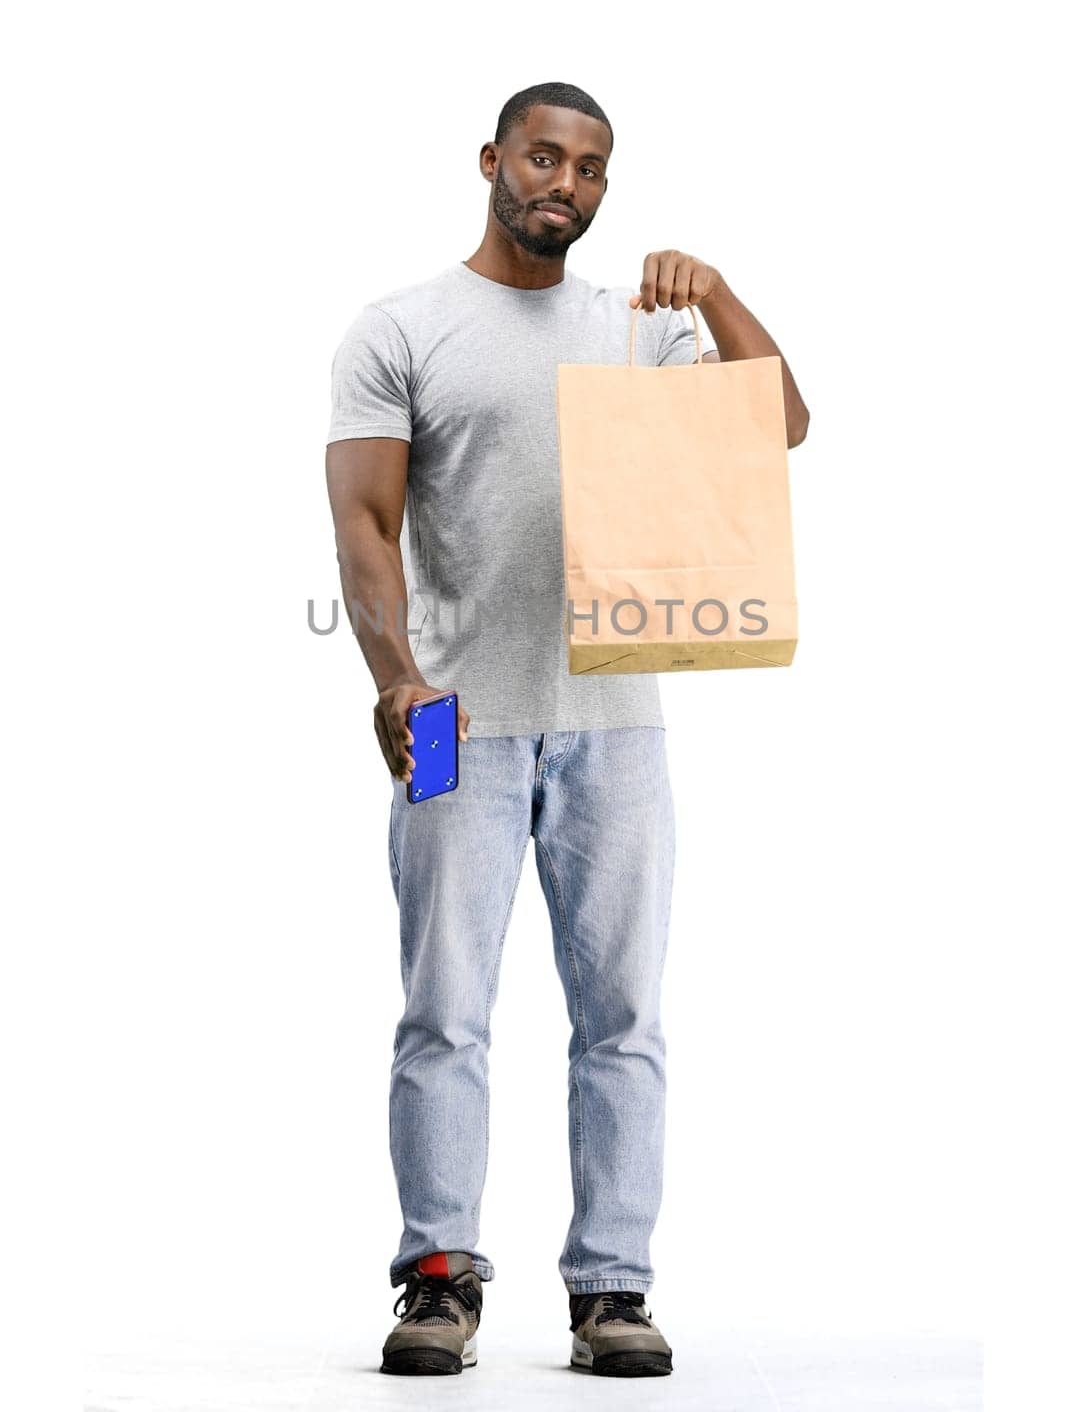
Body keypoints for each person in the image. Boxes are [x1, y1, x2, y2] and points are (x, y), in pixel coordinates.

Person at [324, 81, 810, 1378]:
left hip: (619, 726)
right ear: (492, 159)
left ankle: (612, 1289)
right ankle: (436, 1281)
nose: (569, 185)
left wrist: (711, 294)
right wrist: (393, 676)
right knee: (443, 1006)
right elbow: (365, 526)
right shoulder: (404, 328)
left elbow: (779, 429)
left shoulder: (635, 330)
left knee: (623, 1015)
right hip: (446, 722)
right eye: (546, 156)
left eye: (593, 169)